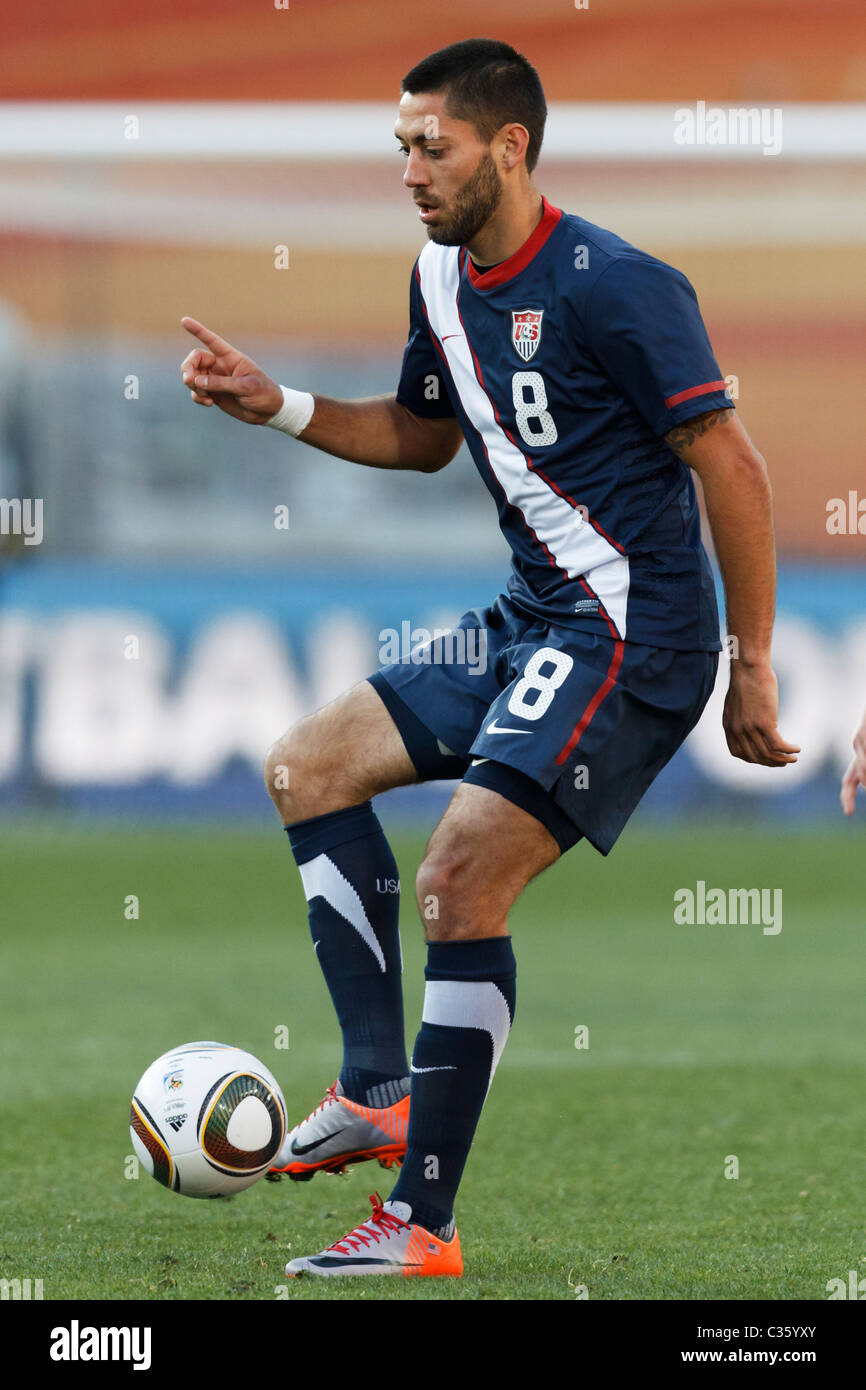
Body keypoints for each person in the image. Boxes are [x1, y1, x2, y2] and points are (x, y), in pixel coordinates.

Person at [180, 38, 799, 1279]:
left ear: (508, 147)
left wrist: (752, 661)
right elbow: (421, 437)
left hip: (635, 634)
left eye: (432, 146)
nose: (409, 169)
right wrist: (282, 406)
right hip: (532, 614)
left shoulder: (615, 283)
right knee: (305, 766)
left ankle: (421, 1223)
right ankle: (374, 1088)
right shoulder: (436, 273)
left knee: (459, 879)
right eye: (399, 146)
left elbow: (729, 463)